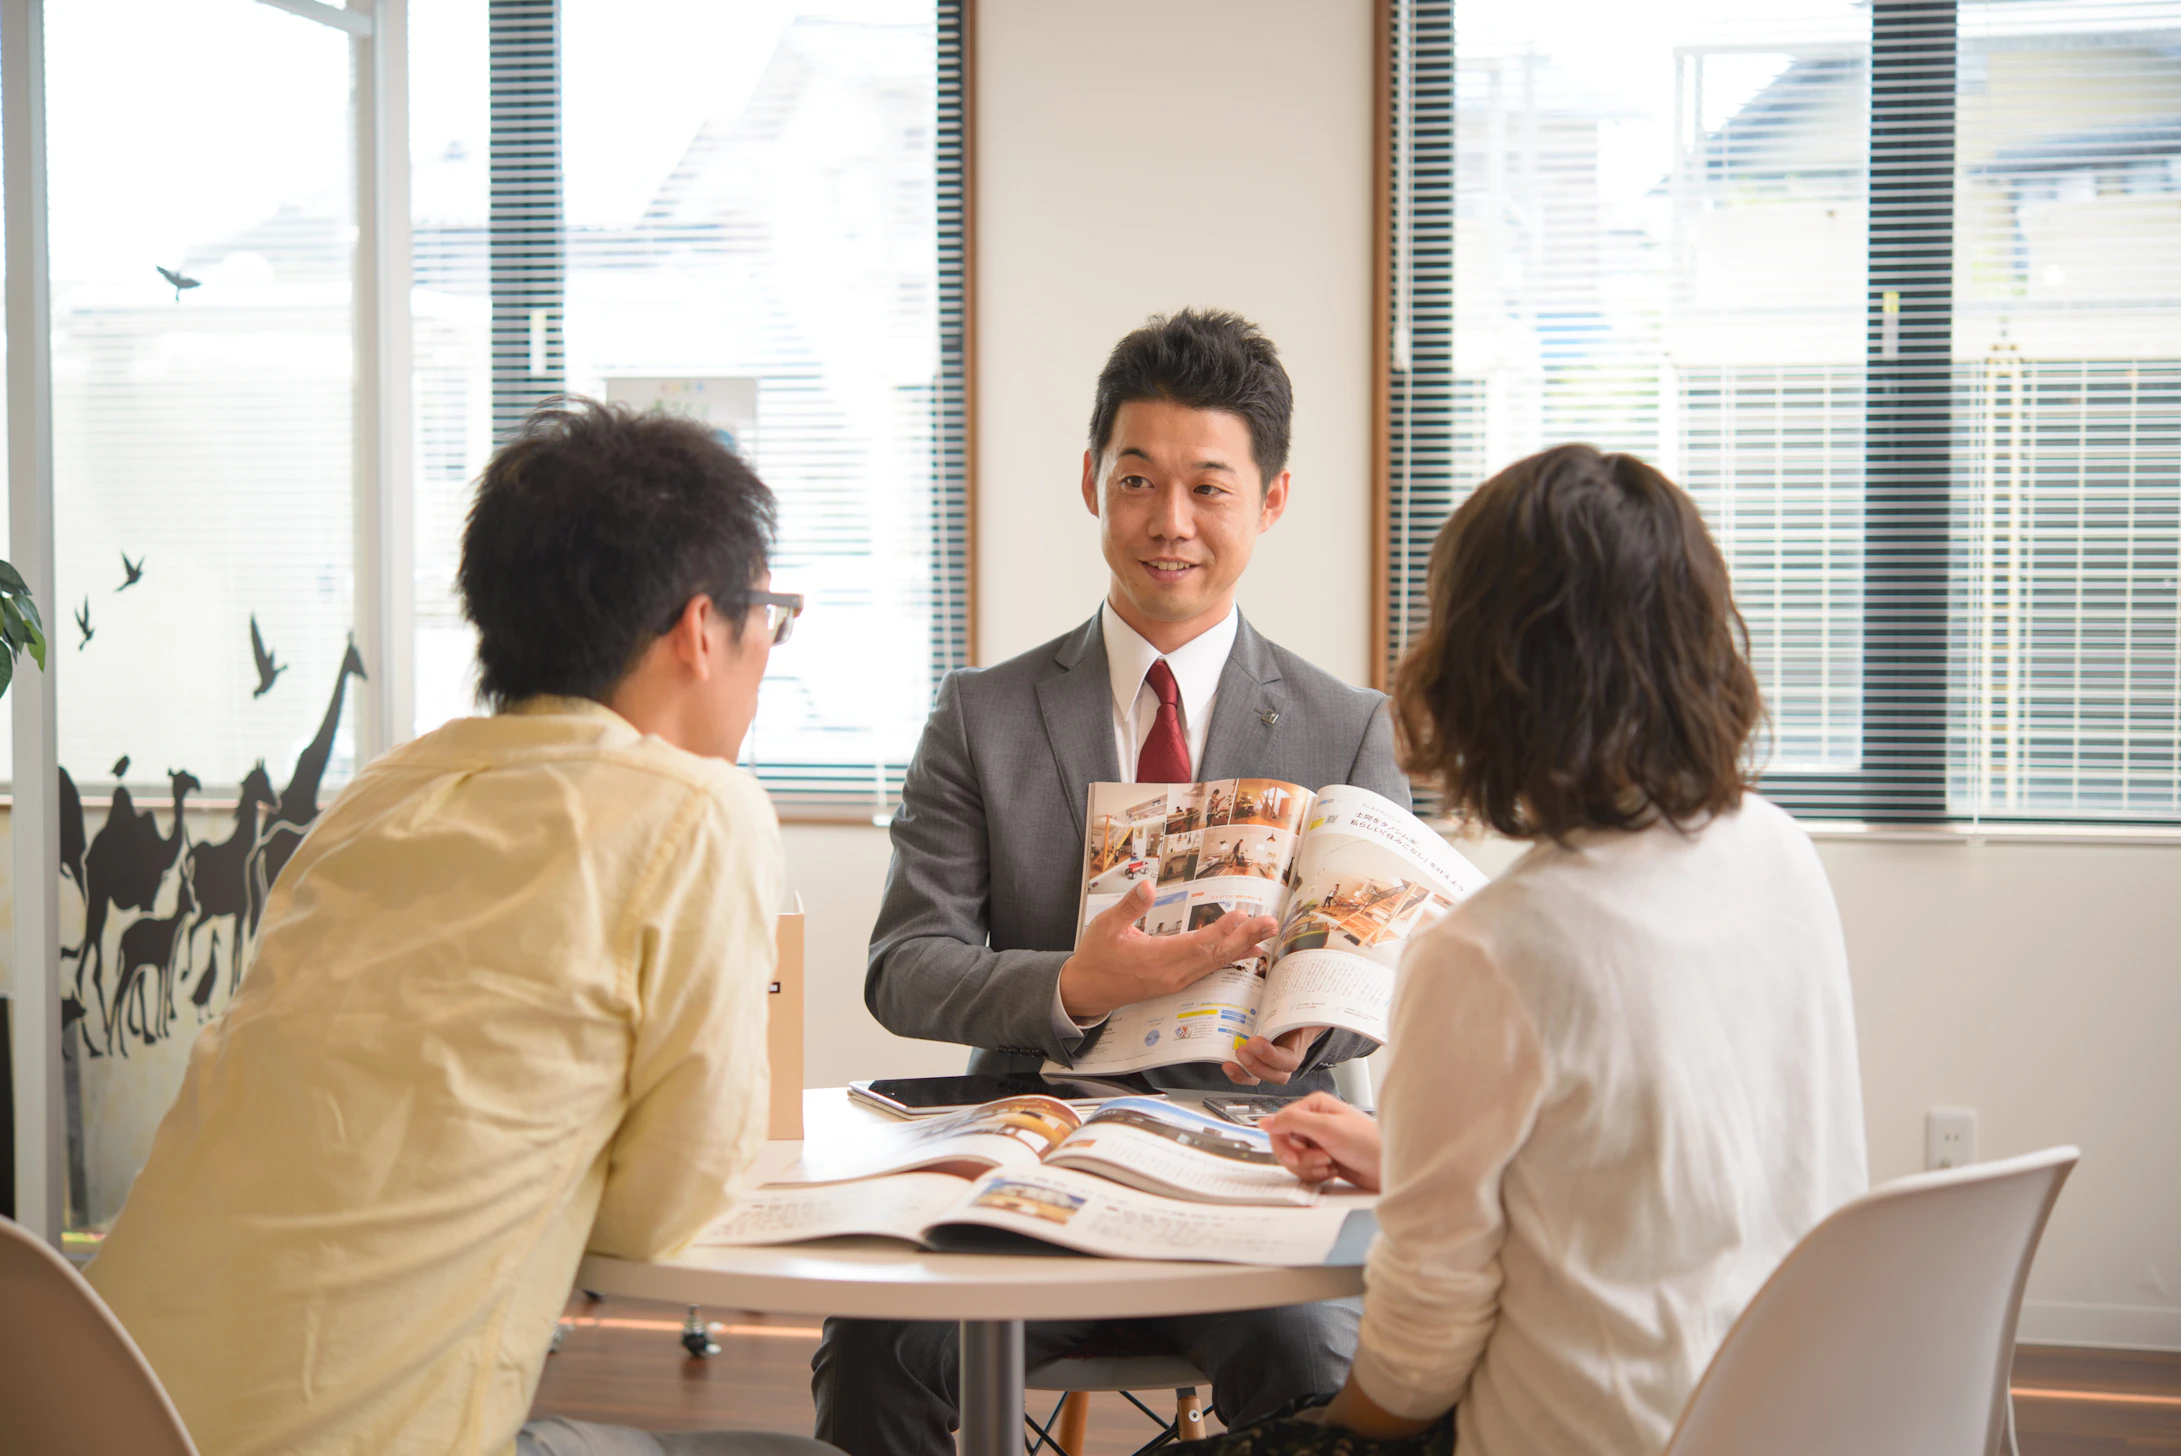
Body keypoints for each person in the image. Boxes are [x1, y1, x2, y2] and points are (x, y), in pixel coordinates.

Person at [87, 400, 840, 1456]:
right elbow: (662, 1212)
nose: (772, 642)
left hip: (102, 1403)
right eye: (770, 610)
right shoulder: (697, 812)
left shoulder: (384, 791)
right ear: (696, 629)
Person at [812, 310, 1408, 1454]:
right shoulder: (983, 715)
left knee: (1331, 1376)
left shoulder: (1346, 728)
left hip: (1251, 1170)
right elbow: (904, 968)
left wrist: (1306, 1037)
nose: (1169, 523)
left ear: (1271, 501)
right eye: (1137, 479)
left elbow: (1369, 979)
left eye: (1209, 488)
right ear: (1092, 481)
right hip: (1028, 1159)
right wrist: (1072, 986)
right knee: (879, 1352)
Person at [1202, 443, 1869, 1456]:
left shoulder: (1490, 954)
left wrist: (1327, 1432)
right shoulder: (1780, 850)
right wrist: (1410, 1160)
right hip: (1786, 1416)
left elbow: (1418, 1354)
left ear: (1489, 673)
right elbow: (1678, 1167)